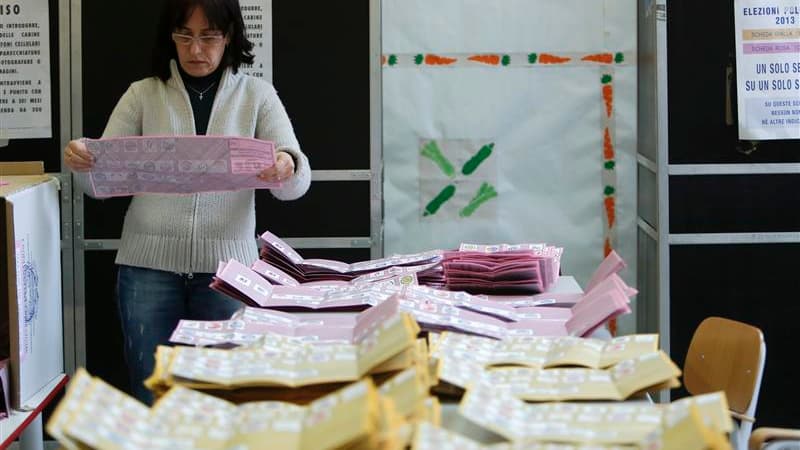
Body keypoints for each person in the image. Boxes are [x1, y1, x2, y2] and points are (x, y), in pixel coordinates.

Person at [62, 0, 310, 404]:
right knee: (152, 391)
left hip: (228, 271)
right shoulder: (143, 94)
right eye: (185, 36)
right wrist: (82, 163)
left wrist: (287, 165)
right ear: (171, 37)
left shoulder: (257, 95)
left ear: (228, 37)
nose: (196, 50)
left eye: (209, 37)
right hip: (147, 267)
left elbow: (297, 180)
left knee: (225, 394)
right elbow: (98, 183)